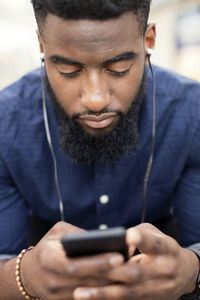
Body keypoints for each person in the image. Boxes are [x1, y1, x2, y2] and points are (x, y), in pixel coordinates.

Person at [0, 0, 200, 299]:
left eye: (118, 68)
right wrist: (23, 276)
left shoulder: (191, 111)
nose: (95, 99)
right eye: (68, 69)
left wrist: (191, 270)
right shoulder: (6, 121)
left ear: (148, 41)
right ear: (42, 45)